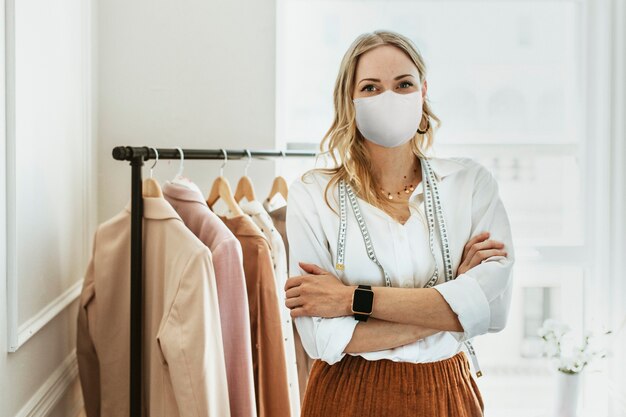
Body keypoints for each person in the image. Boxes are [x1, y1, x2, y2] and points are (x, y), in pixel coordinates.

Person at [284, 30, 515, 417]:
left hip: (446, 392)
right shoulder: (312, 194)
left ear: (423, 92)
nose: (388, 98)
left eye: (403, 84)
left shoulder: (470, 184)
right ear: (350, 100)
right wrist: (455, 306)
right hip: (346, 394)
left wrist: (349, 300)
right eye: (371, 87)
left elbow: (494, 312)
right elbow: (322, 339)